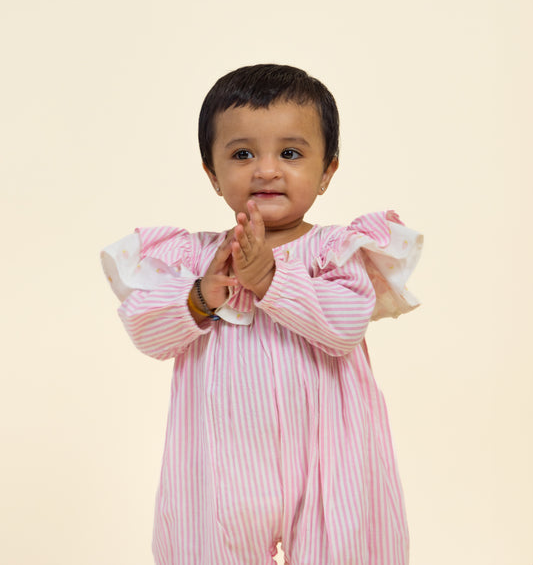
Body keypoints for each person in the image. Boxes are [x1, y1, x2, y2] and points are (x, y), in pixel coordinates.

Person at [101, 64, 423, 565]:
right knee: (204, 551)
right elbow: (147, 330)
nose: (266, 170)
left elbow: (345, 326)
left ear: (327, 172)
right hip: (218, 465)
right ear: (212, 173)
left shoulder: (334, 251)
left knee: (347, 549)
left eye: (290, 154)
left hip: (329, 460)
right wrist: (202, 295)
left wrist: (271, 278)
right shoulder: (193, 257)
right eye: (242, 154)